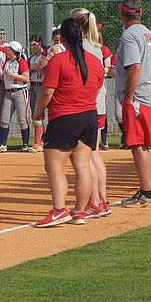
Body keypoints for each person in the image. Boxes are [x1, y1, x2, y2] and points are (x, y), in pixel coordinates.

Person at [32, 18, 104, 227]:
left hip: (64, 117)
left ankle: (59, 210)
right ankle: (80, 212)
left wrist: (38, 112)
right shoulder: (94, 60)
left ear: (62, 38)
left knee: (54, 167)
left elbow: (47, 91)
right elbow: (97, 86)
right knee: (82, 166)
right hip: (89, 116)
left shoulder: (59, 60)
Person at [116, 0, 151, 207]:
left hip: (140, 96)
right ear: (140, 12)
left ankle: (147, 192)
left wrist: (128, 97)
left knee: (138, 145)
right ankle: (146, 190)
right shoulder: (149, 34)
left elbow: (135, 67)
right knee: (143, 144)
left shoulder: (129, 36)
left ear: (122, 14)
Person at [70, 8, 112, 217]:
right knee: (94, 155)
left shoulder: (80, 47)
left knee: (87, 157)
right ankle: (102, 200)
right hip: (97, 105)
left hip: (86, 105)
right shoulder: (97, 46)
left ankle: (94, 202)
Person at [0, 41, 32, 152]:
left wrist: (13, 75)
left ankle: (25, 143)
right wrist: (0, 69)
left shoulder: (21, 62)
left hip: (20, 91)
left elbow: (26, 78)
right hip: (8, 92)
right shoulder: (7, 62)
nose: (7, 50)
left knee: (22, 119)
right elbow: (3, 78)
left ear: (13, 50)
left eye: (9, 49)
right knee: (4, 119)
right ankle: (2, 144)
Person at [27, 34, 48, 152]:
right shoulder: (32, 58)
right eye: (31, 45)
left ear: (40, 43)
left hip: (42, 85)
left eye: (34, 45)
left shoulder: (45, 56)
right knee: (34, 114)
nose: (33, 47)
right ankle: (42, 140)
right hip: (33, 85)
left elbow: (47, 73)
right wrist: (31, 69)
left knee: (37, 114)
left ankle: (37, 142)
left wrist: (37, 68)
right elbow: (28, 73)